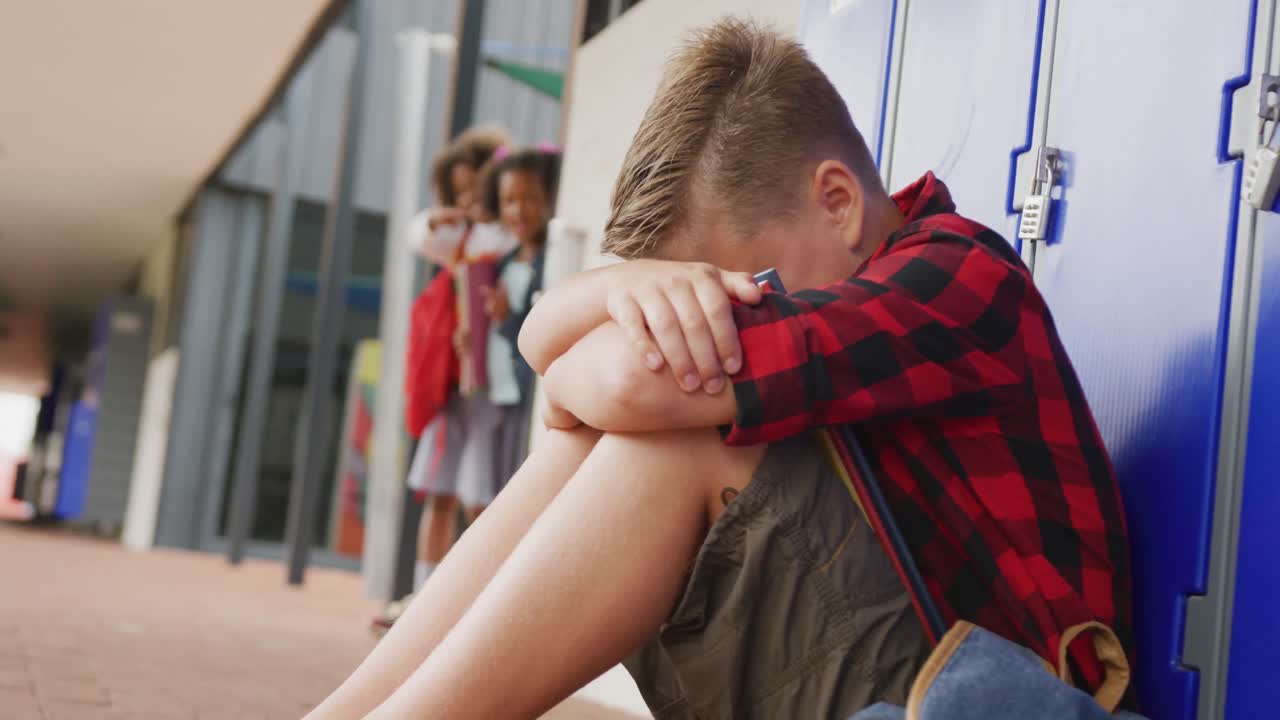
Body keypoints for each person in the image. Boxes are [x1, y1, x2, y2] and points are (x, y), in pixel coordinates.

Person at [310, 18, 1132, 720]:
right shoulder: (878, 275)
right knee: (637, 422)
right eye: (691, 300)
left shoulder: (963, 275)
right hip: (903, 663)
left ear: (839, 201)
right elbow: (576, 371)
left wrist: (562, 358)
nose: (724, 313)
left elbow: (623, 383)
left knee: (682, 430)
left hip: (997, 699)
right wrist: (600, 307)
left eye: (741, 288)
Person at [374, 127, 511, 634]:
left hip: (490, 386)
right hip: (452, 383)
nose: (470, 199)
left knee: (481, 497)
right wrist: (449, 216)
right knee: (439, 492)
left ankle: (473, 602)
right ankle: (426, 598)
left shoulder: (508, 237)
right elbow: (419, 234)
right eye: (459, 192)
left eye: (478, 187)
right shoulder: (460, 235)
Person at [477, 146, 561, 485]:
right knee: (492, 489)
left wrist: (508, 318)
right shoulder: (504, 262)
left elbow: (540, 332)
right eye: (509, 200)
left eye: (530, 198)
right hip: (500, 394)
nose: (518, 209)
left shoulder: (549, 263)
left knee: (516, 485)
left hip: (526, 397)